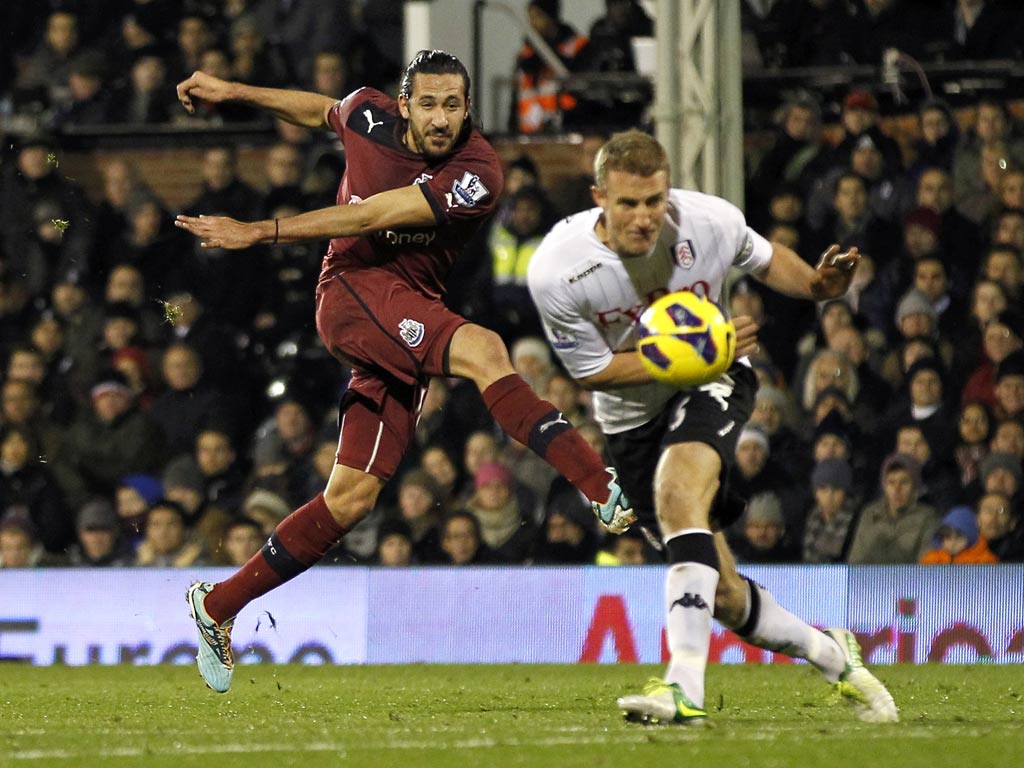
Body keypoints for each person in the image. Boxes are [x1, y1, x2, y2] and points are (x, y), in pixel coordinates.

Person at [174, 49, 630, 694]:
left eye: (454, 105)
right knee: (485, 351)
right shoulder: (365, 111)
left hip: (402, 313)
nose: (442, 118)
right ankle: (596, 479)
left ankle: (217, 605)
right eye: (429, 103)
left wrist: (259, 231)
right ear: (404, 102)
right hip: (354, 292)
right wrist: (233, 90)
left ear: (467, 108)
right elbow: (319, 110)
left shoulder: (478, 172)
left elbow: (372, 214)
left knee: (352, 499)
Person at [527, 130, 897, 725]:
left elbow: (767, 258)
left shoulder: (709, 221)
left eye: (655, 200)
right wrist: (693, 346)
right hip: (630, 420)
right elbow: (593, 371)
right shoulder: (557, 271)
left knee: (679, 495)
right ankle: (830, 652)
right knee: (722, 595)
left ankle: (683, 688)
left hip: (716, 379)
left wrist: (818, 288)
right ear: (599, 197)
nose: (645, 217)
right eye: (628, 204)